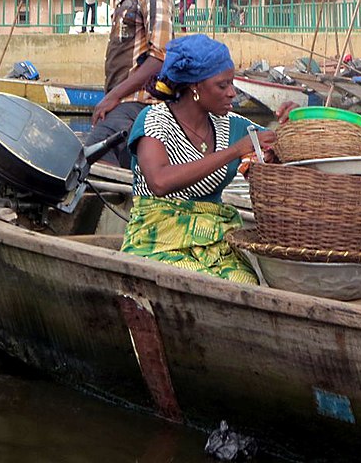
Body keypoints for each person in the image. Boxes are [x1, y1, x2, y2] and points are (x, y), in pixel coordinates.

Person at [120, 34, 297, 284]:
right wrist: (234, 152)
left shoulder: (233, 126)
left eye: (232, 84)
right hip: (156, 238)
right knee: (196, 280)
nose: (232, 93)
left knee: (245, 282)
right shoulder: (154, 120)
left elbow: (274, 156)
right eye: (222, 85)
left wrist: (293, 125)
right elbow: (159, 181)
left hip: (215, 241)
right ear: (195, 86)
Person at [86, 0, 174, 167]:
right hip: (122, 100)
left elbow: (160, 58)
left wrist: (112, 97)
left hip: (140, 101)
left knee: (93, 154)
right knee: (119, 165)